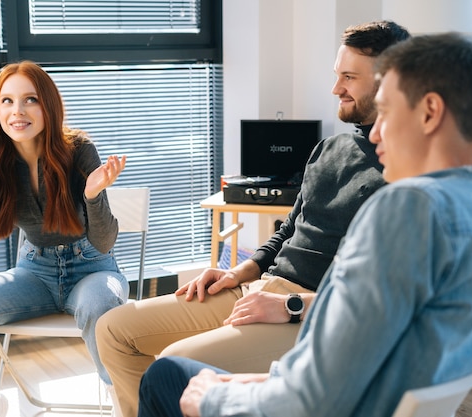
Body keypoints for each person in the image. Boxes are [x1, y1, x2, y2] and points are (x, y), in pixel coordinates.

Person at [138, 32, 472, 417]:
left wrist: (212, 398)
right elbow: (357, 368)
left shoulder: (406, 210)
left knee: (169, 376)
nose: (373, 133)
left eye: (385, 112)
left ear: (429, 112)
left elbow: (315, 400)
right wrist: (250, 381)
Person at [95, 20, 410, 417]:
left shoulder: (405, 173)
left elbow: (381, 299)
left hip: (309, 315)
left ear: (390, 81)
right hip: (259, 289)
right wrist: (236, 273)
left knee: (172, 366)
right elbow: (288, 232)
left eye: (349, 77)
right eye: (337, 75)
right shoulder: (329, 148)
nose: (336, 89)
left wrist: (290, 304)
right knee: (113, 330)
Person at [0, 61, 129, 417]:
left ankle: (124, 405)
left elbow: (105, 243)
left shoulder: (78, 150)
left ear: (48, 105)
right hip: (34, 273)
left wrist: (93, 195)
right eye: (7, 101)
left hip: (92, 266)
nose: (17, 111)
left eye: (30, 99)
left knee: (100, 307)